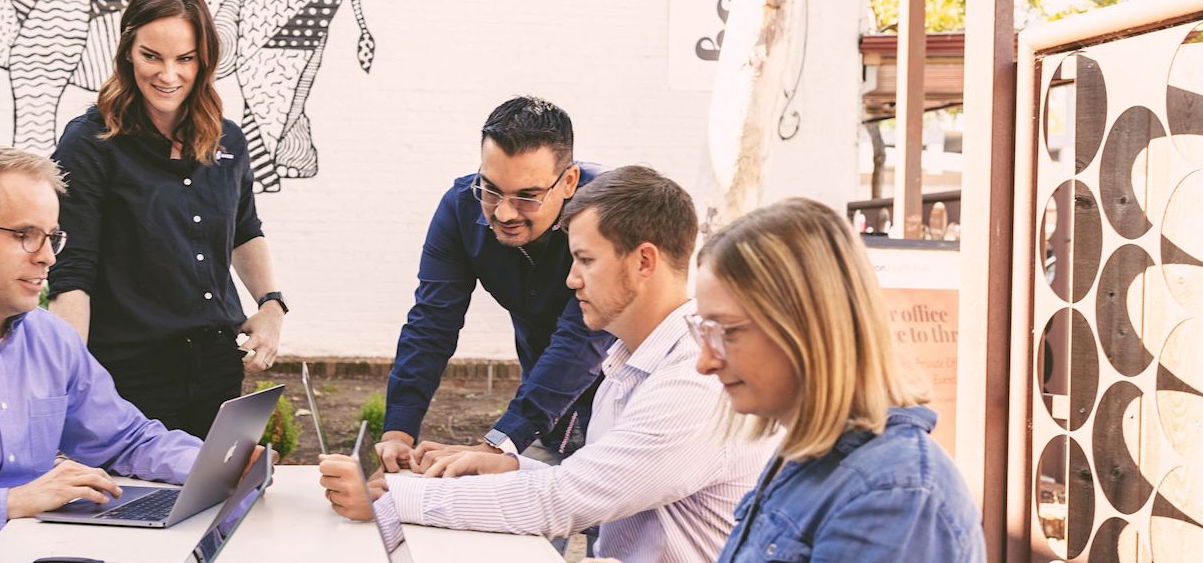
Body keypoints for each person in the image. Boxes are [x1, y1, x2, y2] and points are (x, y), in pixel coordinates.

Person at [321, 166, 775, 562]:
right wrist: (509, 467)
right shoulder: (632, 363)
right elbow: (599, 481)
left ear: (643, 262)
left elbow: (564, 501)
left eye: (585, 260)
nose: (571, 279)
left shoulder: (693, 381)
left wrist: (391, 497)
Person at [0, 144, 241, 562]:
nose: (48, 257)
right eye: (26, 236)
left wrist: (217, 464)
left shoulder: (51, 339)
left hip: (48, 550)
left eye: (53, 237)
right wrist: (10, 502)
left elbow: (125, 438)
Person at [47, 0, 285, 439]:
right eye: (151, 56)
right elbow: (72, 271)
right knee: (137, 504)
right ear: (127, 53)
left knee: (211, 501)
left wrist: (271, 305)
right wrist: (71, 385)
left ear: (204, 60)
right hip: (128, 375)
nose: (168, 74)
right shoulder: (89, 143)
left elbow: (243, 228)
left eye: (185, 59)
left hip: (217, 365)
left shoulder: (228, 140)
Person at [692, 198, 984, 562]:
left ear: (808, 327)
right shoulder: (810, 458)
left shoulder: (891, 494)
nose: (705, 362)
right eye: (703, 331)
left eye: (727, 332)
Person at [378, 96, 614, 470]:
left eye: (527, 197)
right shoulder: (461, 206)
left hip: (628, 399)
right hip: (542, 400)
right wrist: (398, 433)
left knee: (616, 525)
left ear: (568, 181)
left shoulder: (611, 211)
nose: (504, 212)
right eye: (490, 189)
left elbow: (582, 340)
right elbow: (432, 323)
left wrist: (498, 445)